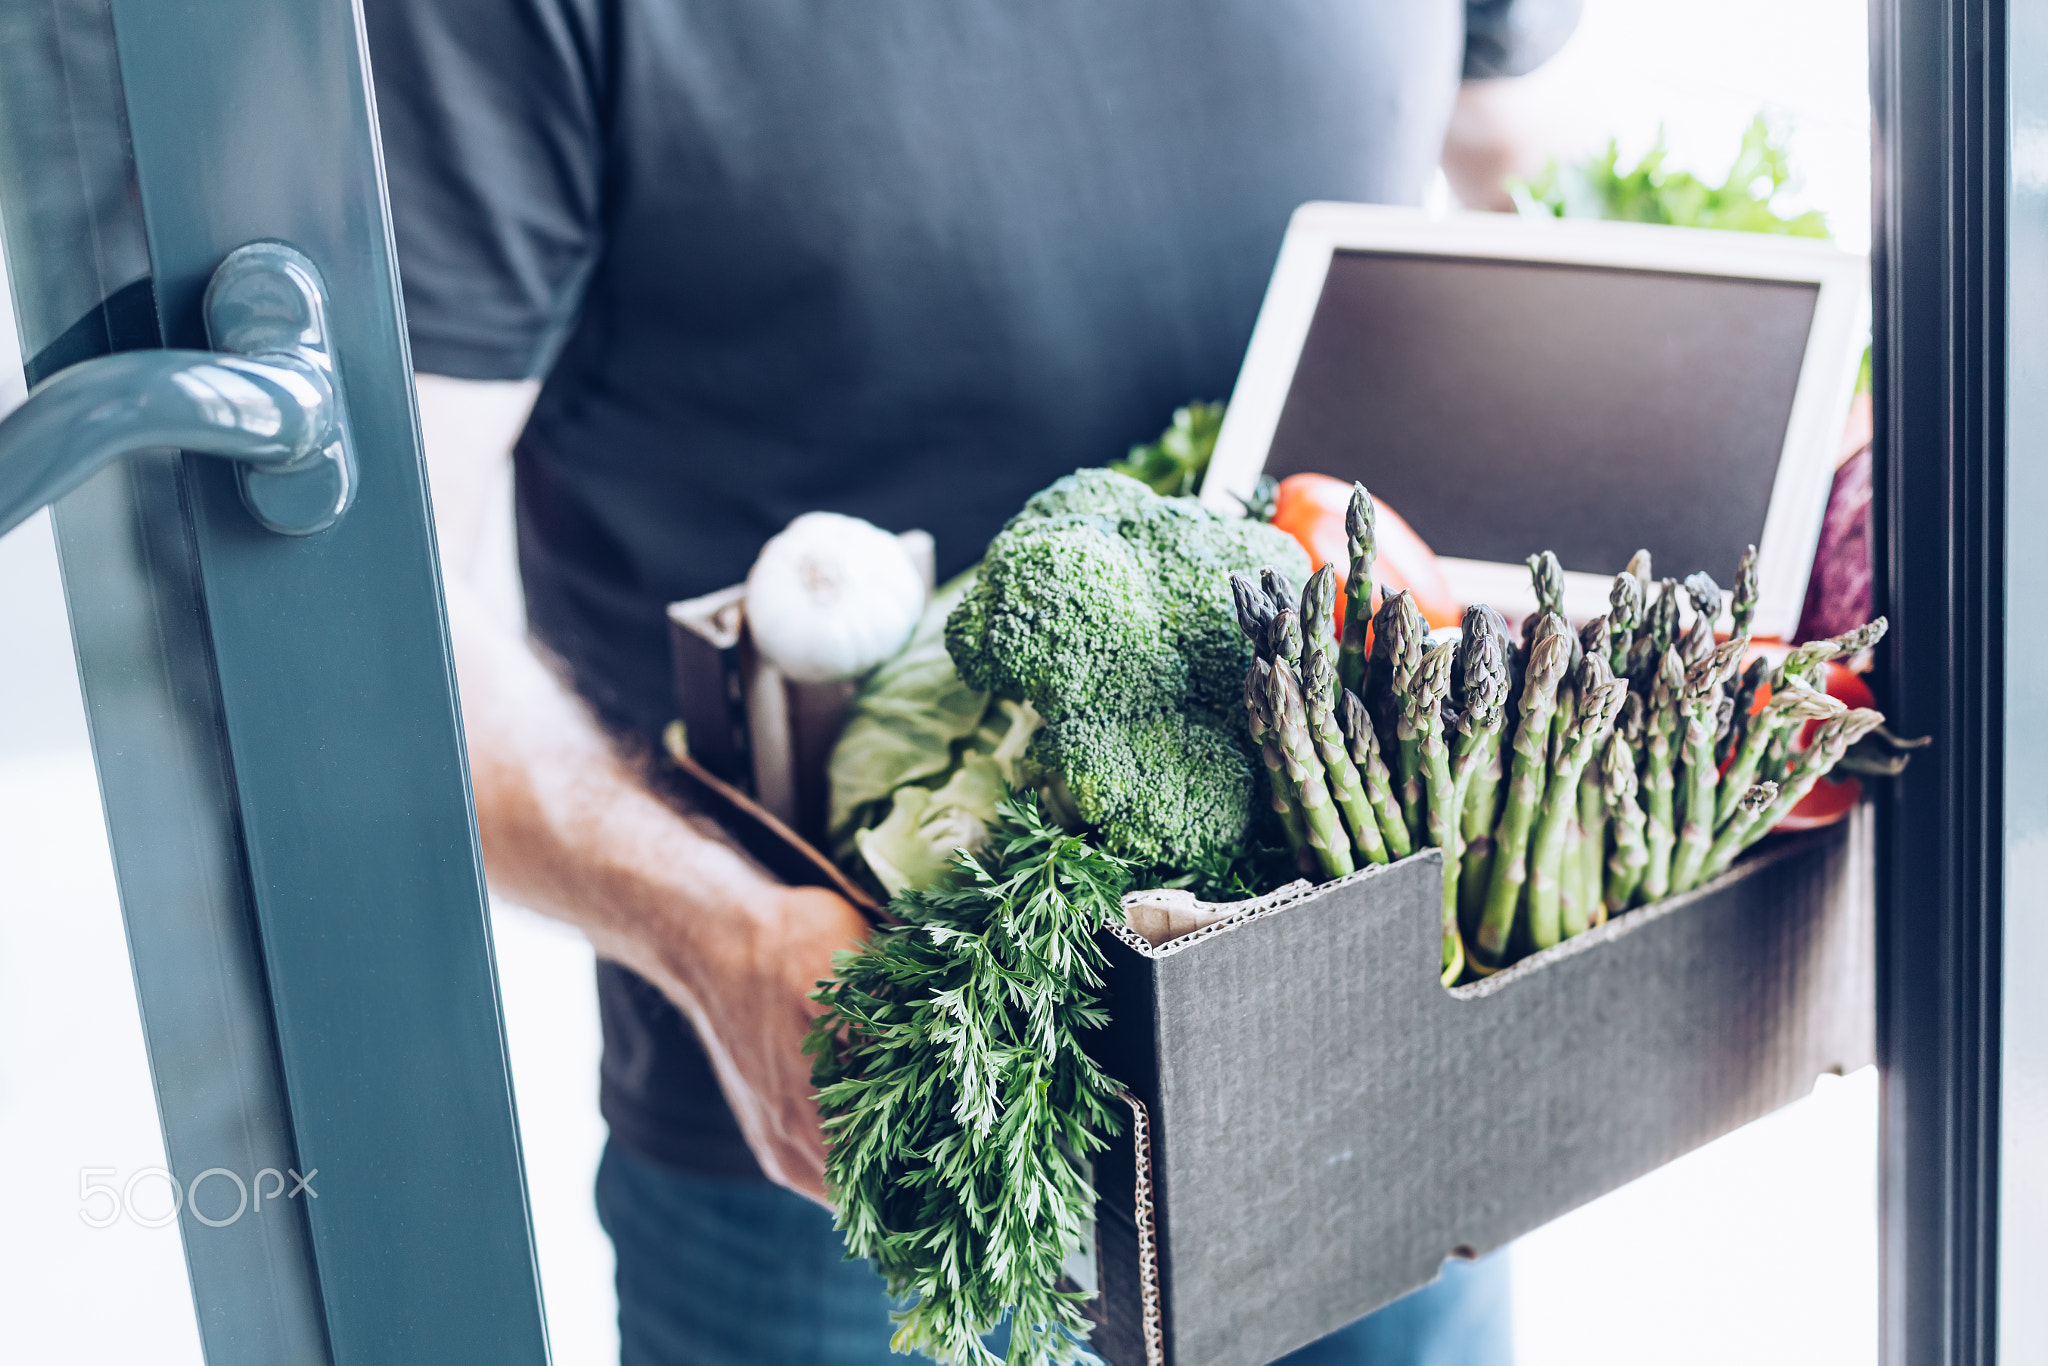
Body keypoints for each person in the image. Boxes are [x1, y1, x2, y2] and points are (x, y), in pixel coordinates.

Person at [361, 3, 1577, 1361]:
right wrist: (714, 938)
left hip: (1379, 1052)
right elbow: (365, 596)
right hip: (858, 1121)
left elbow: (1504, 151)